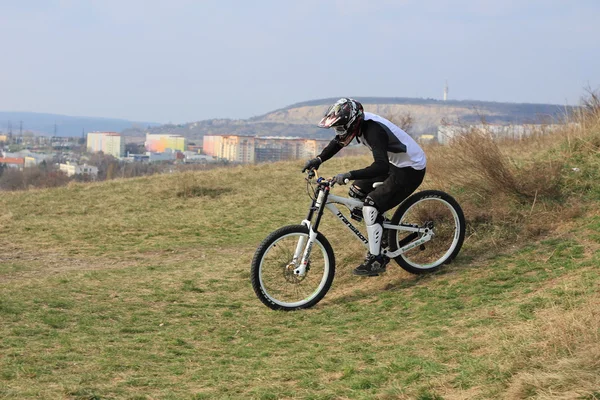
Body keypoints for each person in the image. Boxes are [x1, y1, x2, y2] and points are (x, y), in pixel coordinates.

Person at [302, 98, 427, 277]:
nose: (339, 132)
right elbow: (339, 141)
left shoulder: (373, 130)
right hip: (395, 165)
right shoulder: (357, 124)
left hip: (410, 169)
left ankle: (376, 260)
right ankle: (384, 233)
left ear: (352, 123)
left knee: (370, 206)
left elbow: (381, 167)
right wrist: (319, 159)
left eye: (341, 128)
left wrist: (349, 174)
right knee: (356, 193)